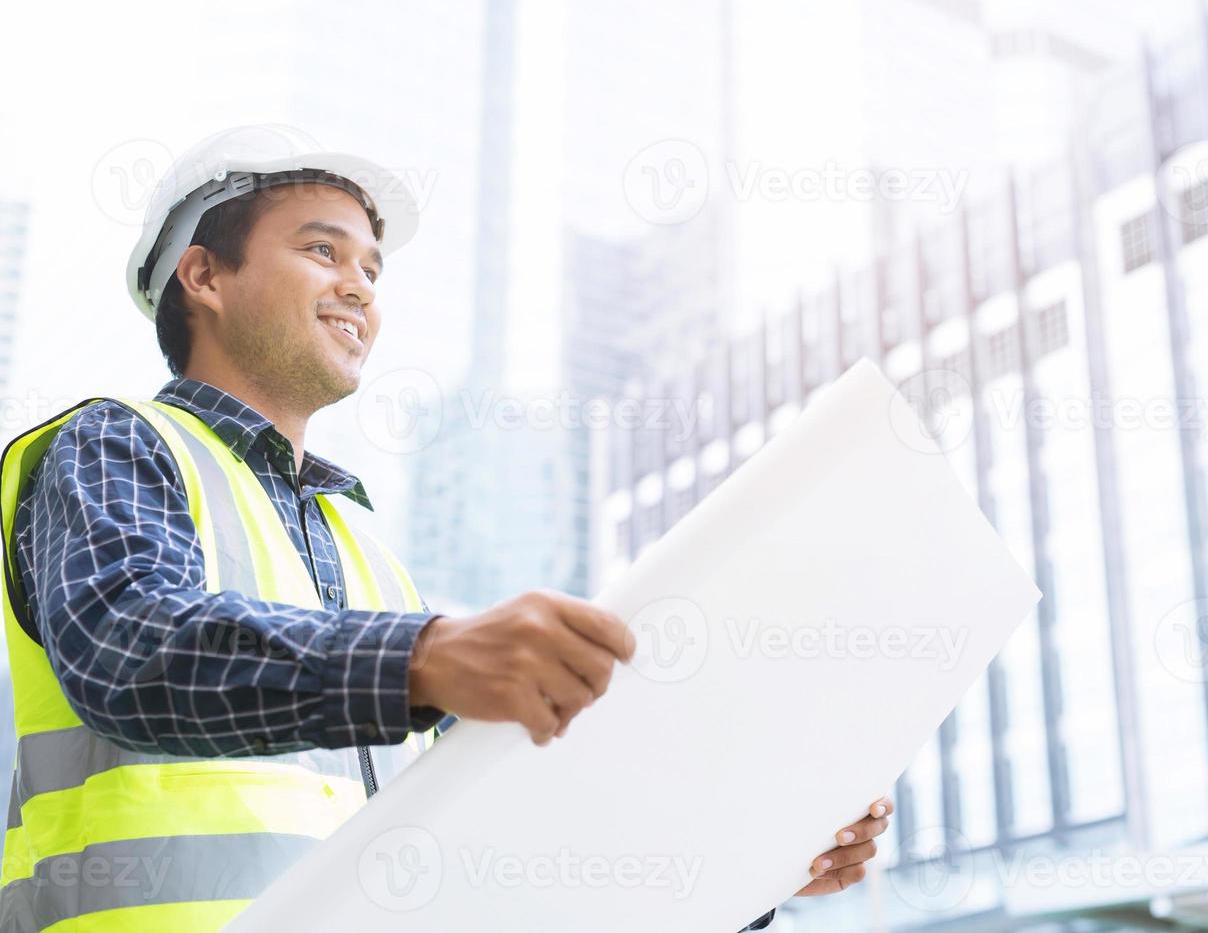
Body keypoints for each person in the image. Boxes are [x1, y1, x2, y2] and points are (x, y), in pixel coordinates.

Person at [0, 125, 891, 930]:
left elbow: (492, 832)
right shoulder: (114, 444)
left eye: (374, 270)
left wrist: (745, 864)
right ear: (204, 276)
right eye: (323, 250)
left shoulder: (368, 563)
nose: (359, 285)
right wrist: (423, 659)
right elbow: (128, 651)